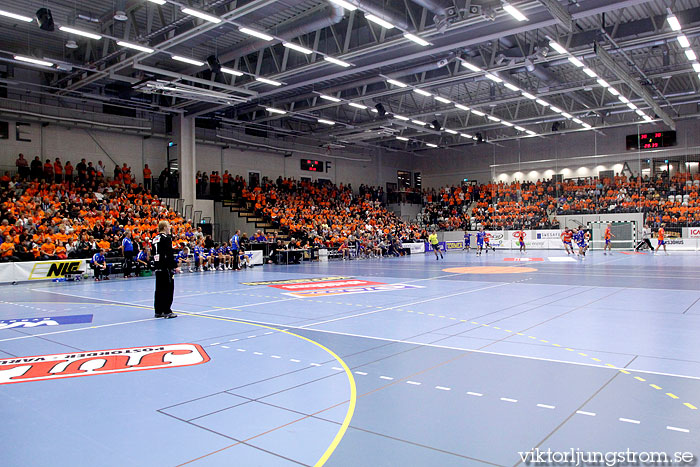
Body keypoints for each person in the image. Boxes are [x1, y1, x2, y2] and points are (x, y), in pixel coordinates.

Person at [152, 220, 178, 319]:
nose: (170, 227)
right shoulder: (166, 238)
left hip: (158, 267)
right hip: (165, 267)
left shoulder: (155, 238)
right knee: (168, 289)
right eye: (168, 226)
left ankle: (158, 311)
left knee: (159, 289)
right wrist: (174, 266)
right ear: (164, 228)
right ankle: (167, 311)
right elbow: (169, 253)